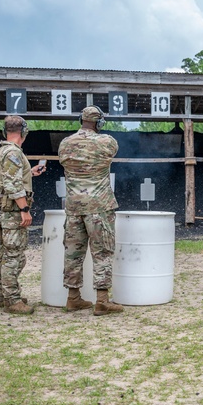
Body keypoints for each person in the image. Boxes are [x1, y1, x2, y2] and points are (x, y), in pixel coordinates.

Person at [60, 106, 123, 315]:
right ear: (99, 123)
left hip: (73, 207)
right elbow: (111, 152)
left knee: (73, 254)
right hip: (99, 207)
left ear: (81, 120)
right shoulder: (107, 142)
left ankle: (73, 298)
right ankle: (102, 300)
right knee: (102, 252)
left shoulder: (65, 144)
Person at [0, 115, 45, 315]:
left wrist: (29, 173)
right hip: (13, 211)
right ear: (23, 132)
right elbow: (12, 184)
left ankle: (2, 296)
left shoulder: (2, 151)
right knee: (14, 256)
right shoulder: (13, 152)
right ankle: (12, 300)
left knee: (5, 255)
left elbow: (11, 178)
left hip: (6, 210)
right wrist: (24, 209)